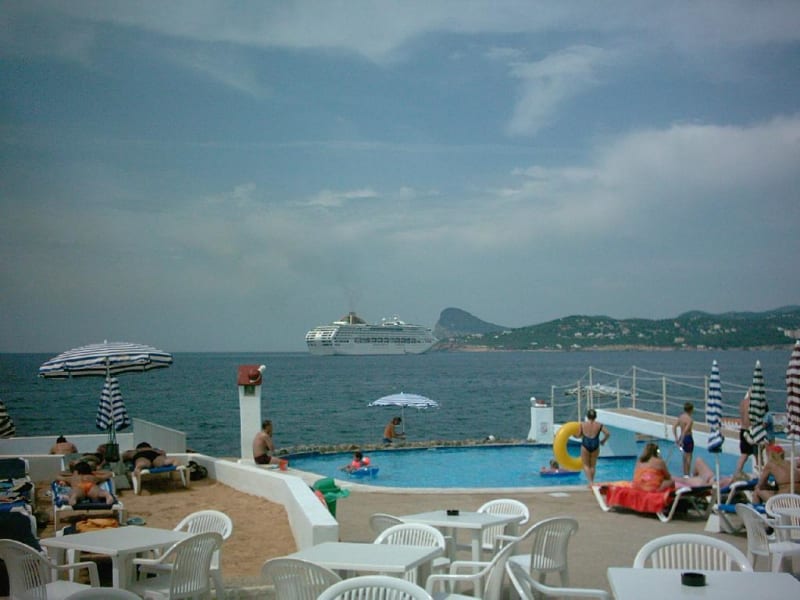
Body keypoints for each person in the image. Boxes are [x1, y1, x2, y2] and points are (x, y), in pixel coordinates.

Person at [579, 408, 610, 486]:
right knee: (592, 465)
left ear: (587, 416)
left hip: (585, 443)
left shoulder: (582, 424)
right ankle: (592, 482)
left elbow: (579, 435)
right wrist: (603, 441)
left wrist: (573, 435)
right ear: (595, 417)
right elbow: (607, 433)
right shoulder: (599, 425)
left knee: (586, 465)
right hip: (595, 443)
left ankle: (590, 482)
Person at [735, 387, 754, 476]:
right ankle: (760, 472)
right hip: (750, 430)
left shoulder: (742, 403)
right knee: (754, 453)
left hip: (742, 430)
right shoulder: (753, 403)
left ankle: (738, 471)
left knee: (744, 454)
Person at [672, 402, 694, 476]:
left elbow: (674, 427)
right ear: (691, 410)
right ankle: (687, 474)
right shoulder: (690, 420)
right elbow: (685, 431)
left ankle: (685, 474)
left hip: (681, 437)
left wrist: (676, 438)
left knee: (684, 456)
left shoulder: (681, 417)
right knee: (689, 456)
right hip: (688, 438)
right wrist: (681, 440)